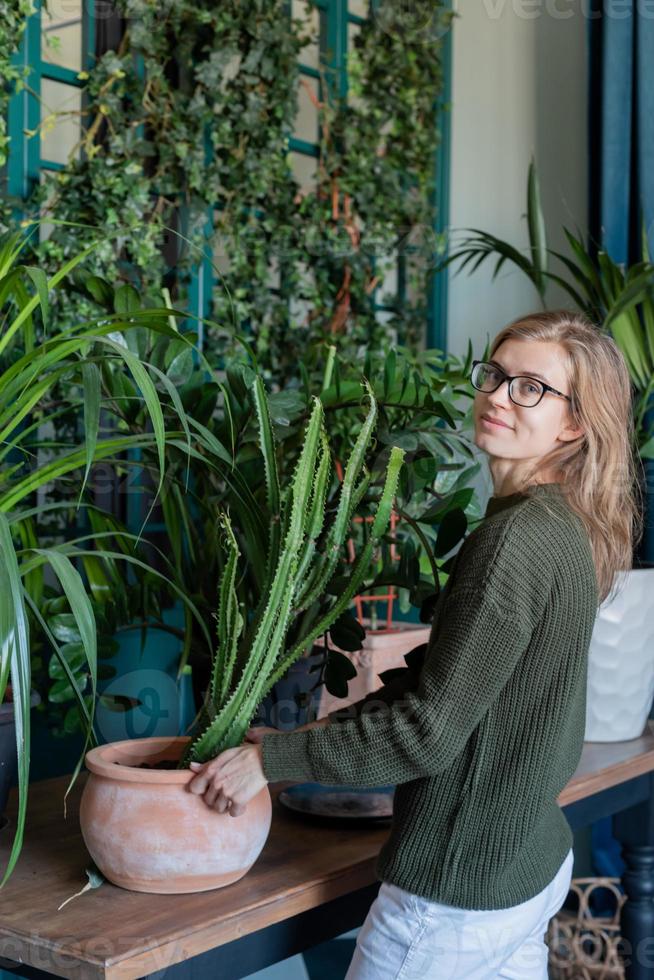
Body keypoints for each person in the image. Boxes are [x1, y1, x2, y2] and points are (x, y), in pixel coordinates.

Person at [189, 310, 643, 979]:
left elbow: (428, 731)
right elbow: (448, 685)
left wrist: (275, 760)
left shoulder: (516, 541)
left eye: (530, 388)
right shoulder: (561, 525)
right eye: (495, 375)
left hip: (456, 894)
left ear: (575, 423)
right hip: (523, 866)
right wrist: (288, 745)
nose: (495, 396)